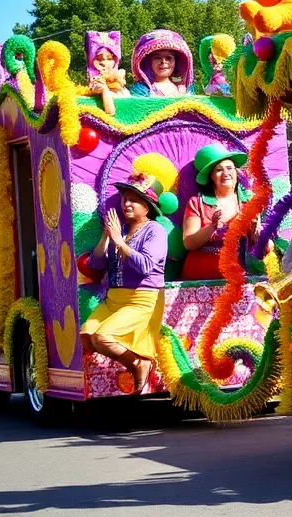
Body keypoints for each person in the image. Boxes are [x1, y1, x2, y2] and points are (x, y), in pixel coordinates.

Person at [80, 174, 169, 393]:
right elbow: (96, 263)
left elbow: (146, 266)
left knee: (103, 337)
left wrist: (120, 242)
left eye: (134, 200)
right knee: (87, 336)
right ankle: (136, 363)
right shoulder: (121, 231)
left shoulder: (154, 231)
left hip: (141, 299)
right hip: (113, 299)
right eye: (124, 199)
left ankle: (139, 364)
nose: (126, 203)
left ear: (147, 207)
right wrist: (107, 237)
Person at [181, 144, 260, 280]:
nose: (225, 173)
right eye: (218, 170)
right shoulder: (196, 202)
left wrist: (256, 232)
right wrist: (212, 227)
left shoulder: (250, 203)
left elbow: (257, 245)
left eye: (229, 168)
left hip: (237, 273)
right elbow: (189, 243)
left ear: (236, 172)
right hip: (201, 274)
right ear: (211, 177)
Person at [128, 29, 194, 97]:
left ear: (176, 62)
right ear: (148, 62)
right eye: (157, 58)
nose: (163, 62)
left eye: (168, 58)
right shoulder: (142, 89)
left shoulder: (184, 88)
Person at [86, 31, 130, 115]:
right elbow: (110, 112)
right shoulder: (96, 84)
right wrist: (104, 90)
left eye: (109, 59)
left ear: (115, 61)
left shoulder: (121, 87)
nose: (104, 62)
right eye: (99, 59)